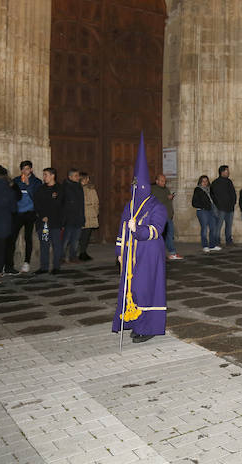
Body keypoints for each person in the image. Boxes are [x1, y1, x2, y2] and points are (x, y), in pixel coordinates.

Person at [112, 133, 167, 344]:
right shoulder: (130, 205)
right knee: (132, 289)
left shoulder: (157, 207)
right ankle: (135, 322)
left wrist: (139, 229)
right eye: (133, 187)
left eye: (139, 187)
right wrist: (119, 252)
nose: (136, 191)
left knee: (146, 288)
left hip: (149, 253)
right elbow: (121, 231)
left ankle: (149, 326)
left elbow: (156, 230)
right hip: (130, 254)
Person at [9, 160, 42, 273]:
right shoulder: (16, 180)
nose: (24, 171)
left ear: (31, 170)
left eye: (27, 169)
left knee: (28, 238)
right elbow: (12, 196)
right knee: (12, 238)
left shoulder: (37, 181)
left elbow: (37, 197)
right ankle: (9, 264)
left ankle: (26, 262)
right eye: (23, 169)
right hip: (18, 213)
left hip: (30, 213)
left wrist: (28, 185)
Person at [33, 167, 64, 274]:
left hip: (55, 223)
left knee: (56, 245)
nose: (44, 177)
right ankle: (44, 267)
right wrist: (42, 216)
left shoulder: (60, 189)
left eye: (46, 175)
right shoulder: (41, 189)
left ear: (52, 176)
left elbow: (60, 205)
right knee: (44, 245)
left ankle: (56, 267)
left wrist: (60, 220)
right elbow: (37, 204)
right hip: (43, 223)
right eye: (44, 175)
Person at [151, 174, 183, 260]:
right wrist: (167, 198)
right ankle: (170, 253)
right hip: (160, 216)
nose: (164, 183)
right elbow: (156, 201)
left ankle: (169, 253)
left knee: (169, 234)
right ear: (157, 181)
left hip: (168, 215)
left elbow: (167, 201)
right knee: (166, 235)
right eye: (162, 181)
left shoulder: (166, 189)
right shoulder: (153, 189)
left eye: (165, 181)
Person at [62, 168, 85, 264]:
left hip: (78, 217)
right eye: (75, 176)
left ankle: (73, 256)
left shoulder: (79, 186)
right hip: (69, 218)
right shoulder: (65, 187)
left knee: (75, 239)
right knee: (66, 239)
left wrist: (82, 217)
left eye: (78, 175)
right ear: (70, 177)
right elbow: (63, 204)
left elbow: (81, 203)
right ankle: (61, 257)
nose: (78, 177)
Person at [192, 175, 220, 253]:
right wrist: (204, 206)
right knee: (204, 228)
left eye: (206, 181)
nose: (205, 183)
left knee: (213, 228)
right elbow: (194, 203)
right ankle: (205, 245)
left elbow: (214, 199)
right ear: (200, 182)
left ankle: (212, 245)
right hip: (202, 211)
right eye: (203, 181)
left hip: (211, 210)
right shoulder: (198, 190)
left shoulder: (210, 189)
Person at [211, 165, 237, 247]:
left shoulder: (229, 181)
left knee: (229, 226)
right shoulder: (215, 182)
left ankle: (228, 240)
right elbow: (213, 195)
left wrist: (233, 202)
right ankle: (217, 241)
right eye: (227, 171)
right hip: (221, 208)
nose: (229, 172)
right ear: (222, 172)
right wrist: (218, 205)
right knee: (218, 225)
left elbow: (233, 193)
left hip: (230, 208)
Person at [78, 172, 99, 261]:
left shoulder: (90, 189)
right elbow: (95, 202)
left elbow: (96, 202)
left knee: (85, 234)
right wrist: (95, 211)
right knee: (83, 235)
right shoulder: (81, 189)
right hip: (86, 214)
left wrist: (95, 211)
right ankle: (81, 252)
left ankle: (82, 252)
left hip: (88, 214)